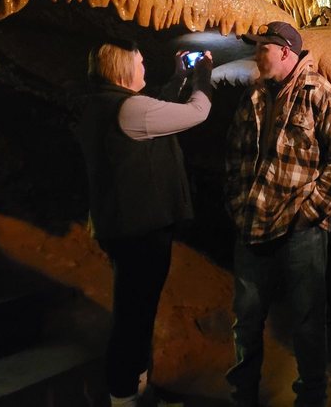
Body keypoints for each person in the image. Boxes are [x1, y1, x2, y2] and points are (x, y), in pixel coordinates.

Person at [75, 39, 213, 407]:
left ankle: (138, 387)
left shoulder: (101, 103)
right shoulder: (129, 110)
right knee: (133, 316)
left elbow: (154, 110)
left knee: (137, 312)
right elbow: (196, 113)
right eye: (139, 63)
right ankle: (124, 395)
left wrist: (177, 78)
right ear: (122, 69)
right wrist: (203, 78)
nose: (143, 70)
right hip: (140, 230)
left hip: (122, 226)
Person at [225, 21, 331, 407]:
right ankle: (242, 395)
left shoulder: (321, 95)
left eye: (262, 48)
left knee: (307, 321)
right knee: (246, 320)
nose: (255, 54)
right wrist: (236, 202)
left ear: (285, 52)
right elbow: (234, 153)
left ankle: (311, 398)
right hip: (251, 223)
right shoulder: (253, 96)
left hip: (301, 231)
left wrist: (311, 212)